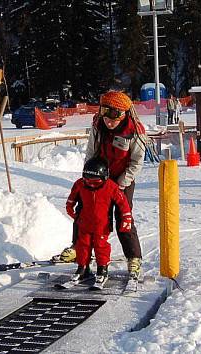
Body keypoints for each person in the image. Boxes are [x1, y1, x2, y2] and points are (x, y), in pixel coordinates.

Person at [60, 90, 147, 279]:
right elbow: (91, 152)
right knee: (85, 211)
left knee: (123, 215)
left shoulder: (135, 132)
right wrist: (87, 177)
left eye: (113, 116)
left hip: (123, 178)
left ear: (123, 114)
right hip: (97, 177)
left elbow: (136, 162)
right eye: (104, 114)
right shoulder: (98, 126)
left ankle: (133, 256)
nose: (108, 121)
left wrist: (121, 184)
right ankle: (78, 247)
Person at [66, 157, 133, 286]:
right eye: (88, 180)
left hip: (102, 225)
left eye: (95, 182)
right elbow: (72, 198)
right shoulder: (80, 184)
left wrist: (126, 218)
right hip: (85, 223)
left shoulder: (111, 187)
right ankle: (83, 268)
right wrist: (70, 208)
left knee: (100, 245)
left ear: (104, 177)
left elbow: (123, 203)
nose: (91, 184)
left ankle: (102, 269)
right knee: (82, 245)